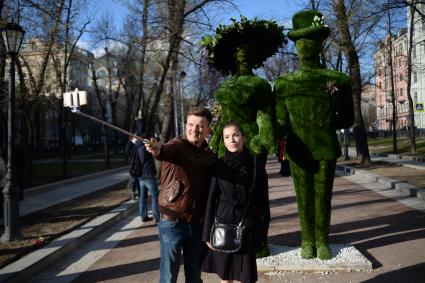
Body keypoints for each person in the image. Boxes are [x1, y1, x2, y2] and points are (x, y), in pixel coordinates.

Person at [275, 10, 354, 259]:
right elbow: (281, 121)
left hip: (325, 147)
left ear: (320, 44)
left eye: (311, 39)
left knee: (323, 198)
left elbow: (348, 118)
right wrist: (268, 132)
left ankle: (322, 240)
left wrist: (329, 118)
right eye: (299, 40)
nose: (305, 45)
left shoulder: (337, 79)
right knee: (304, 199)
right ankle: (307, 239)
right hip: (298, 150)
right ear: (295, 44)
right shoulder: (285, 83)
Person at [145, 107, 216, 283]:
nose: (194, 129)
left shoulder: (209, 155)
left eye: (200, 126)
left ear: (208, 129)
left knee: (194, 276)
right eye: (191, 124)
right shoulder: (177, 145)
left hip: (197, 225)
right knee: (169, 276)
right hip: (172, 223)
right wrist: (156, 149)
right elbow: (163, 150)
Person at [202, 121, 270, 283]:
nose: (232, 140)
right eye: (227, 137)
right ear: (223, 141)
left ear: (243, 137)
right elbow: (210, 200)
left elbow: (263, 202)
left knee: (245, 277)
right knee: (225, 277)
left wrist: (263, 234)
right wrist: (207, 235)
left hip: (247, 228)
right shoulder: (219, 165)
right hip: (223, 226)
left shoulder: (255, 165)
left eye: (235, 135)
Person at [137, 133, 160, 223]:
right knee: (155, 196)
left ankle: (143, 216)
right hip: (149, 176)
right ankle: (156, 217)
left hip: (141, 177)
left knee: (142, 197)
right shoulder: (146, 149)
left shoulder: (138, 148)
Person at [125, 135, 141, 199]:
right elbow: (127, 153)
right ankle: (134, 193)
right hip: (132, 165)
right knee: (134, 179)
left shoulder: (137, 144)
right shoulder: (129, 144)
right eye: (136, 137)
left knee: (137, 180)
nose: (137, 139)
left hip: (137, 165)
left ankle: (139, 193)